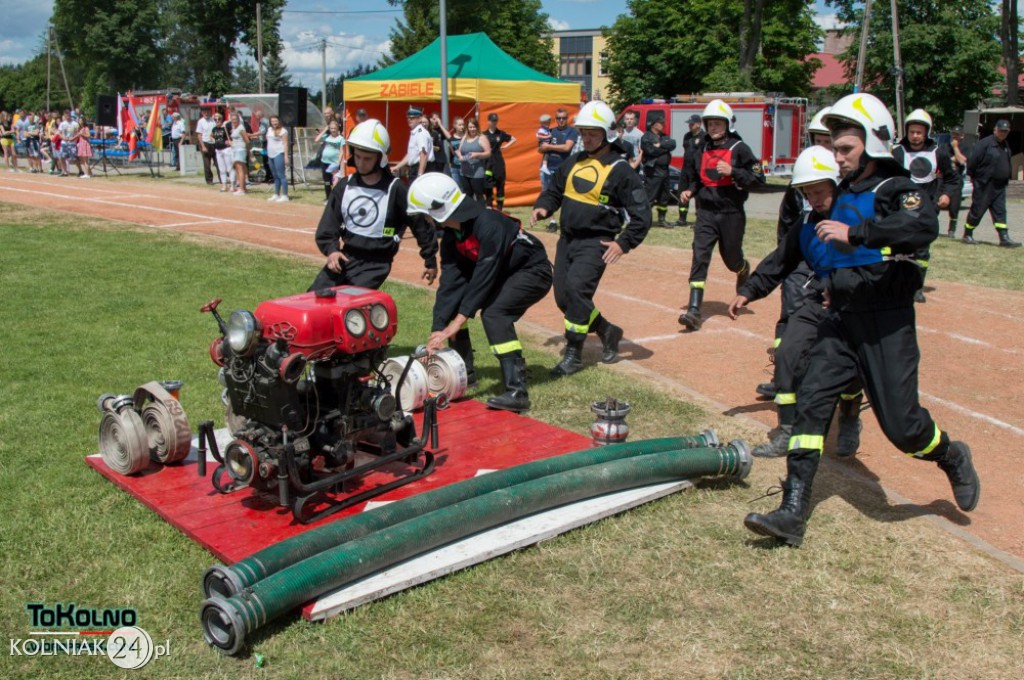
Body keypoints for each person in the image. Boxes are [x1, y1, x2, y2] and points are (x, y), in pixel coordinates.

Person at [743, 93, 980, 547]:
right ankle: (792, 510)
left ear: (871, 144)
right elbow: (798, 244)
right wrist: (755, 288)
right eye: (834, 148)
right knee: (811, 404)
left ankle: (950, 455)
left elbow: (921, 226)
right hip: (841, 321)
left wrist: (857, 234)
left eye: (845, 148)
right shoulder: (840, 194)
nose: (837, 156)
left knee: (904, 428)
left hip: (886, 324)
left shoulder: (895, 189)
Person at [728, 146, 862, 458]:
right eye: (807, 193)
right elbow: (780, 262)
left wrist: (839, 288)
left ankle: (851, 417)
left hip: (856, 304)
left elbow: (871, 266)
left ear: (836, 185)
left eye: (819, 191)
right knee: (787, 351)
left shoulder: (857, 220)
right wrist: (749, 290)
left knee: (851, 367)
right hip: (818, 302)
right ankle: (786, 431)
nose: (814, 199)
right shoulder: (805, 226)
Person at [410, 172, 552, 413]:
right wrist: (439, 326)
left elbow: (484, 275)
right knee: (455, 307)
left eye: (425, 215)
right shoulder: (452, 237)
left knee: (495, 314)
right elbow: (451, 284)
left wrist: (458, 321)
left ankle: (517, 392)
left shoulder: (489, 225)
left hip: (533, 271)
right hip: (503, 272)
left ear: (438, 211)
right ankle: (465, 373)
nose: (425, 220)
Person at [531, 100, 651, 376]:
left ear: (608, 133)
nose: (586, 138)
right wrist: (544, 206)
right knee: (564, 298)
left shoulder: (621, 170)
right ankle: (608, 331)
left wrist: (624, 242)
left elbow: (642, 215)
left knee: (576, 291)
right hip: (567, 240)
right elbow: (554, 190)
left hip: (596, 243)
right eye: (583, 132)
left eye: (592, 133)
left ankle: (574, 354)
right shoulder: (574, 161)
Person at [755, 106, 834, 401]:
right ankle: (782, 376)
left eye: (829, 140)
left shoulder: (845, 185)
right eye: (818, 139)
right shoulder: (800, 180)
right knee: (789, 317)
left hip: (832, 266)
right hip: (801, 259)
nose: (822, 146)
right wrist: (787, 261)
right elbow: (787, 220)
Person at [310, 118, 438, 293]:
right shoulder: (344, 186)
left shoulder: (396, 189)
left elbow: (420, 226)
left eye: (367, 158)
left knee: (346, 305)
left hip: (375, 265)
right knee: (314, 298)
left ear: (381, 158)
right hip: (345, 258)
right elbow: (328, 226)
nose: (361, 163)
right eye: (358, 156)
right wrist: (332, 251)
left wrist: (430, 260)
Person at [678, 99, 766, 331]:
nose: (713, 127)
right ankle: (694, 310)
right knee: (700, 255)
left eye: (718, 123)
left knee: (731, 259)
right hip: (705, 212)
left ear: (727, 124)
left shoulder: (740, 148)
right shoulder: (700, 147)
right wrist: (689, 190)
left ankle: (743, 268)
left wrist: (734, 171)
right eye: (710, 123)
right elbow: (695, 178)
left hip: (731, 214)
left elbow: (759, 179)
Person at [962, 119, 1021, 247]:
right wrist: (976, 179)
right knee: (977, 211)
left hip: (999, 186)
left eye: (1006, 131)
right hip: (984, 185)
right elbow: (972, 162)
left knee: (1000, 212)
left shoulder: (1005, 145)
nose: (1003, 133)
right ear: (995, 130)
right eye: (1001, 131)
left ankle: (1004, 238)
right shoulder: (984, 144)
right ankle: (967, 234)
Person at [538, 108, 579, 232]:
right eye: (559, 118)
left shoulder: (572, 131)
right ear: (555, 119)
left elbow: (567, 147)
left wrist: (548, 147)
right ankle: (552, 222)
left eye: (564, 118)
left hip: (564, 169)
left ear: (567, 119)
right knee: (549, 195)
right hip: (548, 168)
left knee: (567, 196)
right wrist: (542, 147)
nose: (561, 120)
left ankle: (565, 221)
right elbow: (540, 148)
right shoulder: (550, 131)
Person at [640, 114, 678, 228]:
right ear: (654, 125)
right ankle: (643, 220)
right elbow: (651, 151)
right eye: (661, 123)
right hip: (653, 171)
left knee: (664, 196)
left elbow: (673, 144)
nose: (663, 125)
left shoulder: (663, 137)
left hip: (665, 171)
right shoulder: (646, 137)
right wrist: (664, 149)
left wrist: (660, 145)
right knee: (650, 197)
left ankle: (662, 219)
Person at [939, 125, 969, 238]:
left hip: (957, 180)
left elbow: (962, 161)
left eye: (957, 134)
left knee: (954, 207)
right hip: (943, 179)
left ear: (962, 136)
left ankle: (952, 230)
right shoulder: (944, 147)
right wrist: (952, 158)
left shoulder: (965, 148)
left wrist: (956, 148)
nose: (955, 136)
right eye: (953, 134)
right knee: (937, 204)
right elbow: (940, 159)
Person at [483, 112, 516, 211]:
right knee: (488, 184)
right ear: (488, 121)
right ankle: (489, 206)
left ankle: (499, 207)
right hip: (487, 162)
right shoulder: (484, 134)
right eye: (492, 121)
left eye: (495, 121)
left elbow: (514, 139)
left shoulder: (501, 134)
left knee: (500, 184)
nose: (493, 123)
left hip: (498, 162)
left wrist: (505, 146)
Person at [391, 106, 433, 181]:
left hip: (420, 169)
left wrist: (420, 175)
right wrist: (397, 167)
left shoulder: (420, 133)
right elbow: (411, 155)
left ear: (420, 119)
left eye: (413, 118)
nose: (409, 120)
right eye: (408, 117)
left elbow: (423, 154)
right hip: (414, 169)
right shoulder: (415, 132)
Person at [678, 114, 706, 225]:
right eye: (689, 123)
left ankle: (699, 220)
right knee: (682, 193)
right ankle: (682, 219)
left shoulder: (704, 137)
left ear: (699, 124)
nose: (690, 125)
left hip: (697, 170)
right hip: (686, 169)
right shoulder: (687, 136)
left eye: (692, 123)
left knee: (698, 195)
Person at [455, 117, 491, 205]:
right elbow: (458, 150)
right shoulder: (464, 137)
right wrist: (460, 156)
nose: (472, 129)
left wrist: (477, 155)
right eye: (470, 127)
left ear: (477, 127)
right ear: (467, 128)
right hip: (464, 171)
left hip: (477, 172)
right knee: (467, 195)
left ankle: (481, 214)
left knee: (479, 195)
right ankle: (470, 215)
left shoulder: (482, 138)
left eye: (474, 127)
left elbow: (489, 153)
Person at [316, 119, 345, 199]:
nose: (333, 130)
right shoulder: (327, 137)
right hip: (325, 162)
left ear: (337, 129)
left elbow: (342, 152)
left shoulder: (340, 139)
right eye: (331, 128)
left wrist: (338, 163)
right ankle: (328, 197)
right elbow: (317, 139)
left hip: (334, 163)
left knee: (335, 182)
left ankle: (335, 198)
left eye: (334, 128)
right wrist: (325, 129)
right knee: (327, 181)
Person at [438, 116, 466, 189]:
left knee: (465, 188)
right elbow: (447, 135)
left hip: (466, 167)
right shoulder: (452, 138)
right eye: (460, 125)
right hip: (455, 167)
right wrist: (440, 124)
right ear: (455, 126)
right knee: (457, 187)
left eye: (463, 124)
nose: (462, 126)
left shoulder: (467, 137)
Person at [265, 115, 289, 202]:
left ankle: (285, 195)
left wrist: (286, 156)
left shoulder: (283, 131)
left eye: (276, 121)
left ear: (279, 121)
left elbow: (285, 144)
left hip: (279, 154)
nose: (274, 123)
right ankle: (276, 194)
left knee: (281, 175)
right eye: (272, 121)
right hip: (270, 154)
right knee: (275, 176)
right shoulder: (269, 130)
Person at [229, 111, 251, 195]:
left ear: (238, 120)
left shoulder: (241, 128)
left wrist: (248, 150)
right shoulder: (235, 128)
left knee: (240, 169)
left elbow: (247, 140)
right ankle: (242, 187)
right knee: (238, 169)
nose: (233, 121)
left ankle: (241, 189)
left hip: (240, 149)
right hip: (235, 149)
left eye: (235, 119)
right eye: (232, 119)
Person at [195, 107, 218, 185]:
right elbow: (199, 135)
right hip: (205, 143)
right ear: (202, 113)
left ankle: (222, 179)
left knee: (217, 162)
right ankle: (209, 180)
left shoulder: (213, 120)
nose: (206, 113)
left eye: (208, 112)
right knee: (207, 163)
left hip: (213, 143)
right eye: (205, 112)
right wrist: (203, 146)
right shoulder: (201, 122)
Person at [211, 113, 232, 192]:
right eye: (215, 120)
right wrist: (214, 141)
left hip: (226, 149)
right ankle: (224, 185)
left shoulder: (225, 128)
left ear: (221, 119)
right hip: (218, 150)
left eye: (218, 119)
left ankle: (232, 184)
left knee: (229, 168)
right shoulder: (214, 129)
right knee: (221, 169)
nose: (217, 121)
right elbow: (211, 135)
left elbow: (231, 135)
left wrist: (229, 141)